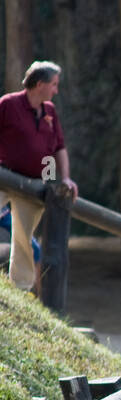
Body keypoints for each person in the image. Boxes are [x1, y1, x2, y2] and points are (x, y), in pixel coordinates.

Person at [0, 61, 76, 291]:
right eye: (53, 85)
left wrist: (66, 178)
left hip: (33, 184)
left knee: (24, 237)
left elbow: (59, 147)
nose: (56, 90)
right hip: (4, 176)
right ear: (40, 84)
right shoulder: (8, 104)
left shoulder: (50, 111)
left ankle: (20, 289)